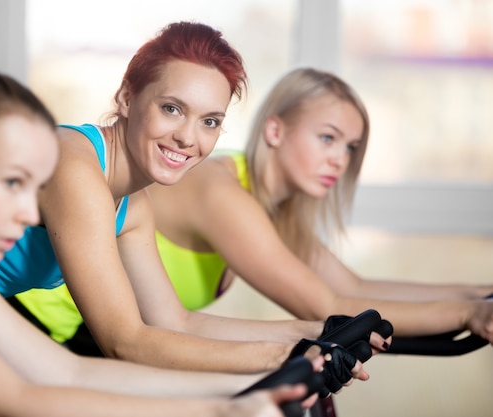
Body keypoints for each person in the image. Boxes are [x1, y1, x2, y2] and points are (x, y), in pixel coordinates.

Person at [0, 69, 316, 417]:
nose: (29, 214)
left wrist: (245, 391)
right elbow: (8, 401)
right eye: (10, 183)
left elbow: (65, 371)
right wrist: (221, 409)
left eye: (32, 189)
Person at [0, 21, 385, 385]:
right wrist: (289, 355)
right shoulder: (75, 165)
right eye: (172, 109)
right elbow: (125, 341)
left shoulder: (133, 205)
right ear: (126, 97)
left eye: (209, 121)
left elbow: (177, 321)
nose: (188, 139)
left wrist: (317, 331)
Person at [143, 66, 493, 344]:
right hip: (92, 339)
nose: (340, 160)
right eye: (328, 138)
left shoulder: (267, 199)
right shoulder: (222, 193)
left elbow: (354, 288)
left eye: (350, 147)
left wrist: (479, 295)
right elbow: (329, 308)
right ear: (275, 132)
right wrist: (467, 315)